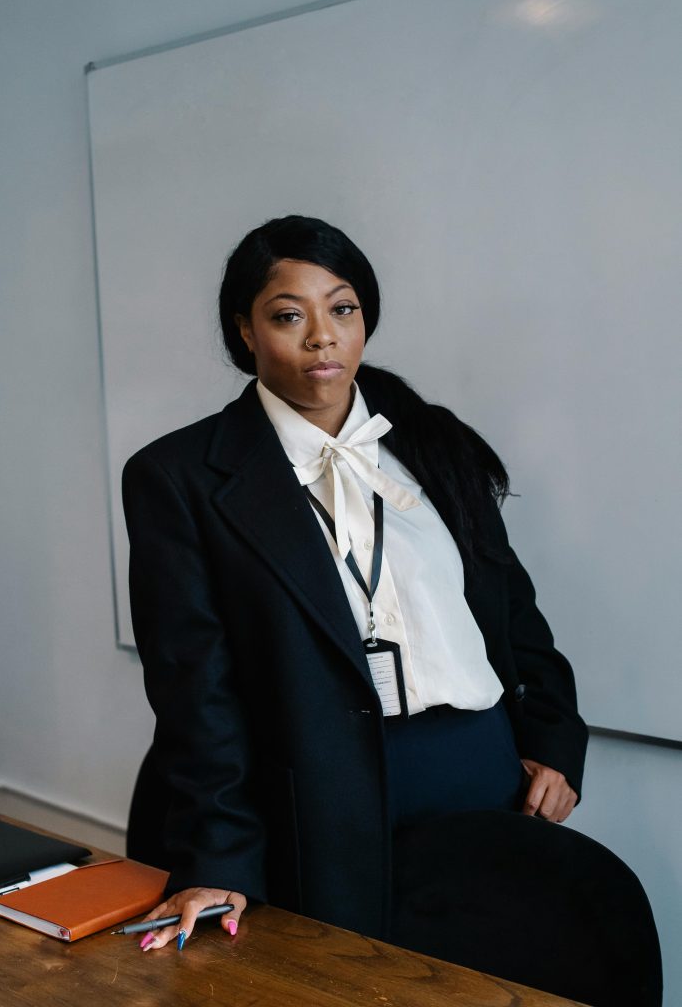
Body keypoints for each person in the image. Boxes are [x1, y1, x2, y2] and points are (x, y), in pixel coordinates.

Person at [122, 214, 588, 957]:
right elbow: (194, 692)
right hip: (312, 793)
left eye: (341, 309)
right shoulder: (176, 477)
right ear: (244, 331)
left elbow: (513, 613)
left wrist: (554, 741)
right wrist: (219, 858)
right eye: (286, 316)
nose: (320, 337)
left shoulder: (437, 446)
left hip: (478, 769)